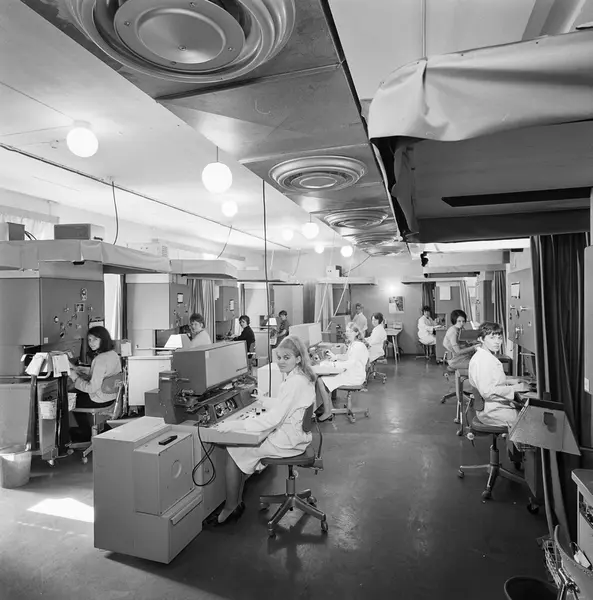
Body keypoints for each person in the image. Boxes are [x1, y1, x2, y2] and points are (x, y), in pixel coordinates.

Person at [211, 335, 316, 525]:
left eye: (286, 357)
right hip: (298, 436)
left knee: (233, 449)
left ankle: (230, 507)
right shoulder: (301, 377)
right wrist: (264, 401)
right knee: (241, 447)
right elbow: (287, 405)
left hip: (289, 442)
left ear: (298, 358)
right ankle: (235, 502)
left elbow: (274, 419)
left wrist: (238, 424)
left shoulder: (294, 382)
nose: (281, 362)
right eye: (279, 357)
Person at [468, 321, 529, 428]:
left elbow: (491, 380)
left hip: (493, 406)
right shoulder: (483, 361)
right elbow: (488, 392)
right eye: (492, 338)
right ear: (481, 339)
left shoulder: (485, 356)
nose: (497, 342)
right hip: (491, 411)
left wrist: (510, 381)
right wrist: (516, 388)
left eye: (499, 338)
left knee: (526, 414)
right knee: (530, 421)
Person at [69, 326, 122, 442]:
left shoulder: (99, 359)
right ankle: (95, 429)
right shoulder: (113, 354)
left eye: (95, 339)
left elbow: (92, 388)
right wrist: (84, 370)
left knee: (70, 400)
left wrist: (75, 378)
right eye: (89, 340)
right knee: (77, 394)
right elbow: (105, 374)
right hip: (111, 396)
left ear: (103, 339)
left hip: (99, 399)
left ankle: (84, 434)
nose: (91, 343)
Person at [316, 322, 369, 422]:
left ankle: (328, 412)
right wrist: (335, 357)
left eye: (350, 331)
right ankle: (328, 408)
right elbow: (347, 357)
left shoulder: (357, 346)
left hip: (354, 376)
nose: (347, 333)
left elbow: (350, 363)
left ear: (356, 333)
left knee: (321, 380)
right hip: (353, 373)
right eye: (347, 331)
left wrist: (333, 364)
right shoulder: (354, 344)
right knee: (325, 378)